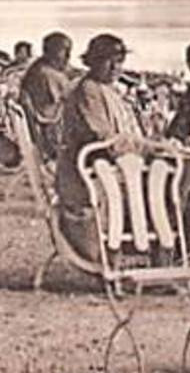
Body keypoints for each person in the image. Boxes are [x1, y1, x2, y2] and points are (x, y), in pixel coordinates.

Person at [55, 34, 143, 263]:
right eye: (108, 61)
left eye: (119, 61)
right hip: (86, 168)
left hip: (105, 161)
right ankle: (135, 246)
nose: (115, 67)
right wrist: (143, 148)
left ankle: (151, 246)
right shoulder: (88, 90)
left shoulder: (108, 90)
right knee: (161, 180)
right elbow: (102, 136)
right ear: (92, 61)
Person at [19, 31, 74, 160]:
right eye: (64, 50)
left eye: (69, 50)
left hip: (45, 127)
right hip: (53, 133)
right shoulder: (47, 74)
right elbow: (70, 97)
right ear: (50, 51)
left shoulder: (38, 67)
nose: (68, 55)